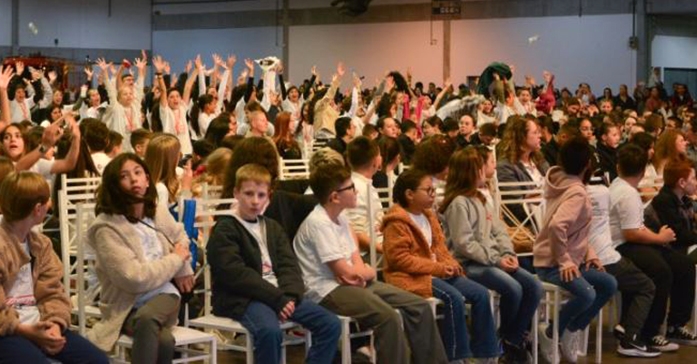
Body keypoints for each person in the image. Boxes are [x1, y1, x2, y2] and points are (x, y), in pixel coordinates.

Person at [293, 161, 448, 364]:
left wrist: (363, 273)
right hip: (326, 290)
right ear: (334, 197)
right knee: (388, 317)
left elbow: (355, 263)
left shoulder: (342, 219)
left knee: (418, 306)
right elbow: (346, 273)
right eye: (350, 187)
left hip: (353, 283)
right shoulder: (318, 223)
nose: (356, 190)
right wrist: (362, 272)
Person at [0, 172, 107, 364]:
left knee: (96, 360)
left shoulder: (41, 245)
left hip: (38, 323)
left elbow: (53, 292)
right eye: (47, 201)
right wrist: (25, 331)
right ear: (38, 209)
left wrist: (55, 324)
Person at [207, 164, 341, 364]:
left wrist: (290, 296)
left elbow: (289, 265)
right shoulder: (225, 228)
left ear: (268, 196)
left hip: (280, 295)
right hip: (243, 298)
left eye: (261, 195)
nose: (255, 201)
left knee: (330, 324)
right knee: (269, 332)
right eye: (248, 194)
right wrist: (277, 299)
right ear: (236, 193)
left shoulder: (272, 227)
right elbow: (236, 275)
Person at [382, 168, 498, 363]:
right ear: (409, 194)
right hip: (411, 277)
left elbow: (440, 247)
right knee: (453, 298)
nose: (433, 194)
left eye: (433, 190)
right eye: (428, 191)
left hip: (436, 272)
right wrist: (438, 268)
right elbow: (399, 259)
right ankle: (455, 356)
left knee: (480, 293)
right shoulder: (396, 222)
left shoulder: (428, 215)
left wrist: (450, 263)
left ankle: (484, 352)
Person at [87, 154, 195, 359]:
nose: (134, 179)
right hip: (124, 304)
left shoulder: (156, 211)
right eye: (125, 176)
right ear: (114, 186)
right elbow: (133, 278)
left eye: (138, 173)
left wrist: (182, 267)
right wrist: (176, 261)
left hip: (164, 294)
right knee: (163, 340)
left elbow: (180, 236)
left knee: (147, 318)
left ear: (147, 179)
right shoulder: (107, 228)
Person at [441, 147, 542, 364]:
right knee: (513, 288)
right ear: (470, 172)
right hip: (469, 264)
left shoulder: (481, 199)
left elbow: (499, 230)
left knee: (534, 286)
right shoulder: (458, 203)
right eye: (480, 168)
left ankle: (511, 339)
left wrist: (507, 253)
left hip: (493, 259)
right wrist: (496, 260)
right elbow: (464, 245)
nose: (485, 171)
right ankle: (503, 341)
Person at [533, 138, 618, 363]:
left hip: (567, 260)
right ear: (588, 164)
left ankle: (572, 328)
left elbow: (577, 232)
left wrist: (591, 254)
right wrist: (565, 261)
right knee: (588, 293)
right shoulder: (577, 192)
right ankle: (551, 333)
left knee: (609, 284)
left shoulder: (562, 183)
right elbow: (557, 226)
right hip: (553, 264)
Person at [610, 143, 697, 350]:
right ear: (642, 172)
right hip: (621, 246)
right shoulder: (627, 193)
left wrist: (659, 238)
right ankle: (650, 331)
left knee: (682, 265)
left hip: (630, 242)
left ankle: (675, 325)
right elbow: (631, 233)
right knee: (661, 271)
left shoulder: (619, 185)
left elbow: (637, 229)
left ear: (618, 167)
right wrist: (659, 238)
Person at [584, 145, 659, 358]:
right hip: (602, 256)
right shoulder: (602, 192)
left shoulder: (605, 189)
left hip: (596, 253)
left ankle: (626, 326)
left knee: (643, 273)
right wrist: (660, 238)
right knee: (647, 285)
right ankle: (631, 338)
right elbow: (632, 232)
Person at [651, 158, 697, 262]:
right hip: (674, 252)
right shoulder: (664, 201)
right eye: (694, 178)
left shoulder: (683, 198)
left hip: (686, 246)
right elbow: (679, 234)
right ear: (682, 182)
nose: (696, 183)